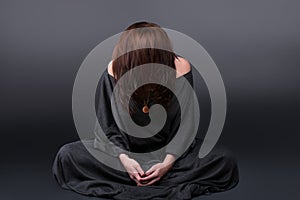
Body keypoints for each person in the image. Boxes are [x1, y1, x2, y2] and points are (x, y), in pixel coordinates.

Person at [52, 21, 239, 200]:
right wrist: (125, 160)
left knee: (224, 160)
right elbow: (106, 125)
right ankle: (144, 177)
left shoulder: (180, 67)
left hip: (170, 154)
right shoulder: (114, 69)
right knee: (67, 156)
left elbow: (186, 123)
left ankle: (150, 176)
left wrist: (168, 162)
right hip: (123, 155)